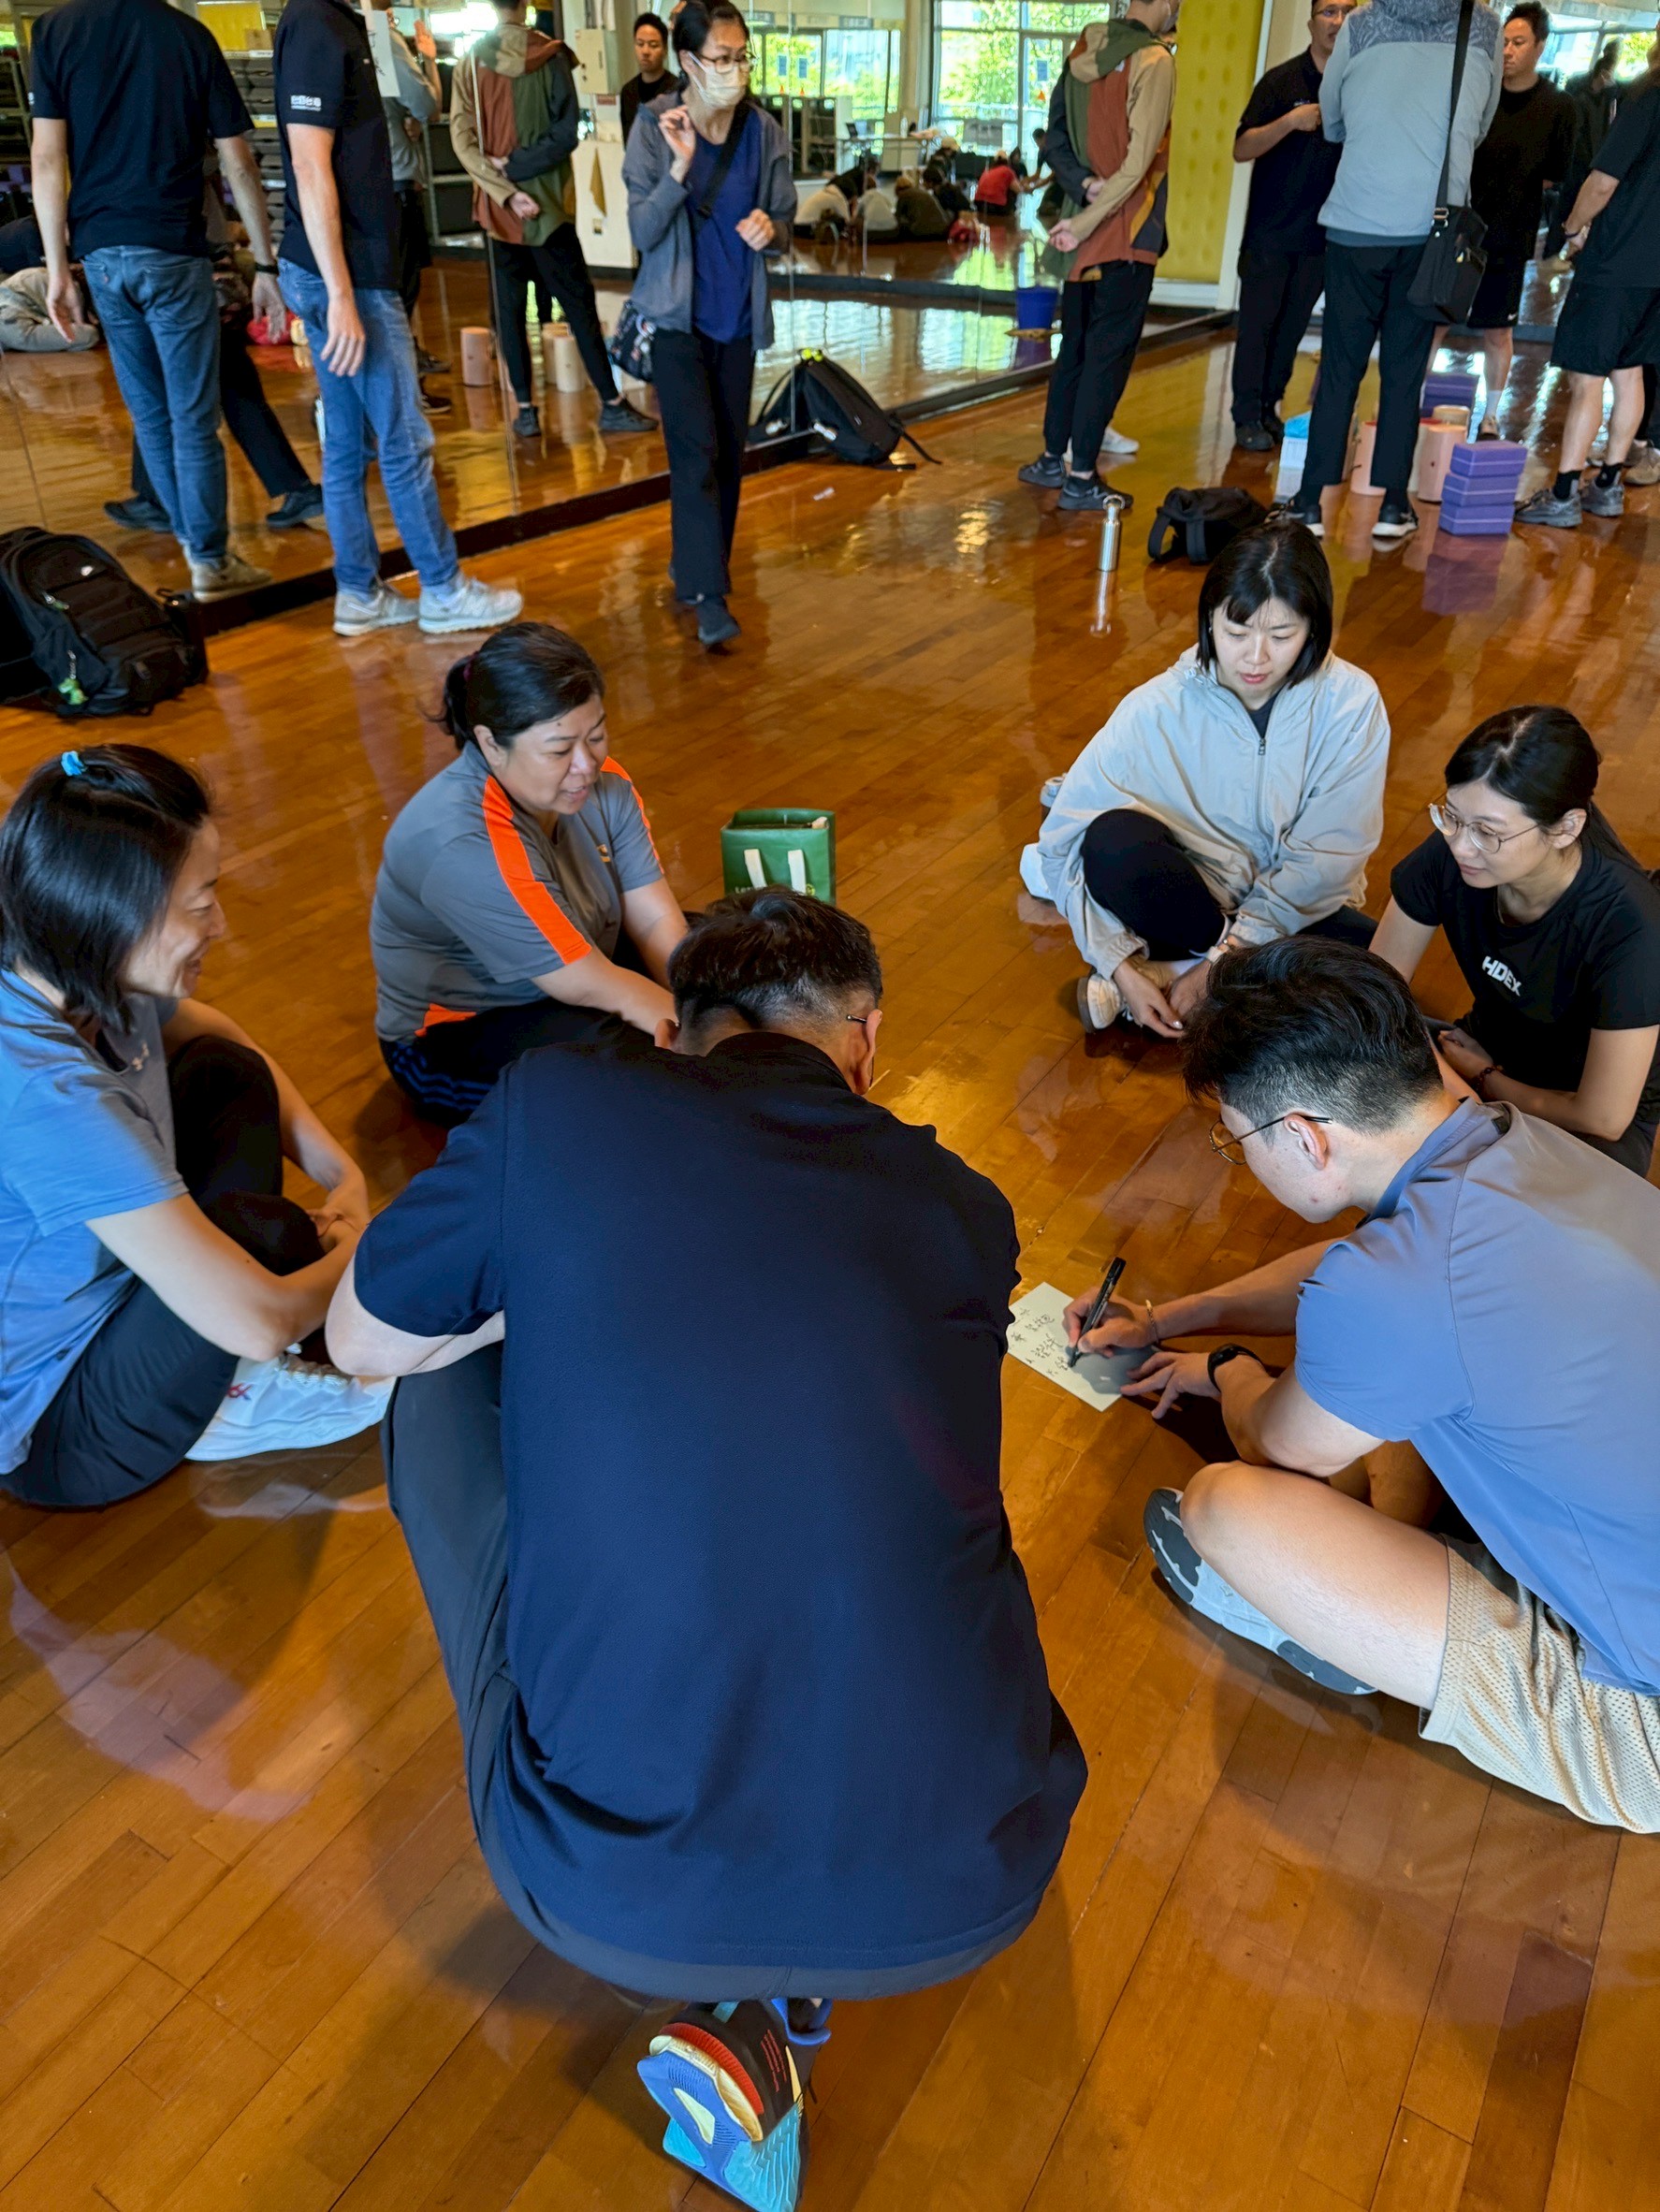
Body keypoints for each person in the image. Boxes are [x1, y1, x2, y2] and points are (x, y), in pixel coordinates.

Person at [326, 887, 1086, 2205]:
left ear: (676, 1031)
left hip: (611, 1894)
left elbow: (357, 1341)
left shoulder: (559, 1107)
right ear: (865, 1041)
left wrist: (548, 1301)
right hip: (982, 1872)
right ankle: (774, 2002)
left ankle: (743, 2002)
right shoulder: (965, 1205)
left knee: (425, 1382)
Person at [1072, 936, 1660, 1834]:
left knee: (1228, 1508)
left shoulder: (1398, 1286)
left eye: (1235, 1139)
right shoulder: (1516, 1140)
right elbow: (1358, 1269)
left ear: (1304, 1137)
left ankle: (1356, 1629)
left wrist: (1226, 1367)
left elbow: (1274, 1443)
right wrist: (1167, 1319)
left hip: (1645, 1716)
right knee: (1419, 1397)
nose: (1240, 1156)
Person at [0, 746, 389, 1507]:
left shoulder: (68, 959)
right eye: (202, 901)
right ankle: (227, 1400)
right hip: (63, 1432)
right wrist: (362, 1254)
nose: (222, 922)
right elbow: (261, 1321)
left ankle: (210, 1342)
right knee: (263, 1243)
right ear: (113, 914)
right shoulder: (46, 1092)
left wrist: (342, 1175)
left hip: (119, 1291)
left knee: (225, 1071)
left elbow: (218, 1032)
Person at [1020, 519, 1388, 1037]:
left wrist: (1223, 960)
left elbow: (1328, 858)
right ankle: (1230, 980)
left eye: (1282, 635)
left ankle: (1175, 975)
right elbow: (1061, 844)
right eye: (1236, 633)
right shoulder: (1158, 706)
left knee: (1381, 963)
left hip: (1295, 910)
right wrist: (1117, 965)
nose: (1256, 657)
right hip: (1193, 903)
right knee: (1112, 843)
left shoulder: (1350, 704)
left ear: (1314, 628)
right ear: (1208, 620)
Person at [274, 0, 523, 639]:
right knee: (404, 441)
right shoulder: (316, 24)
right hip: (350, 276)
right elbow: (308, 164)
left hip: (345, 271)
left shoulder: (337, 22)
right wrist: (342, 295)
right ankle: (442, 589)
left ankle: (359, 594)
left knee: (348, 444)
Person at [371, 623, 685, 1125]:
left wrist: (705, 1004)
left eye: (596, 736)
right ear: (490, 744)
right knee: (637, 1071)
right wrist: (709, 1041)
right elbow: (587, 982)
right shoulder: (460, 838)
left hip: (579, 969)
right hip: (461, 1033)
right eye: (560, 750)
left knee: (734, 956)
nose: (586, 764)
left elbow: (653, 920)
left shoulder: (604, 784)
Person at [27, 0, 282, 599]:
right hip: (172, 249)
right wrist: (266, 263)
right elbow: (238, 161)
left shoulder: (55, 31)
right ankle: (210, 562)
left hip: (102, 255)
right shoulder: (188, 36)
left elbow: (47, 157)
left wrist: (57, 268)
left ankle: (198, 550)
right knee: (193, 419)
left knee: (152, 418)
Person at [1372, 706, 1660, 1174]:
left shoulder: (1631, 927)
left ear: (1566, 828)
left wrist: (1484, 1079)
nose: (1460, 845)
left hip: (1578, 1109)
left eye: (1488, 832)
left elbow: (1603, 1117)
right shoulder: (1458, 851)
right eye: (1451, 816)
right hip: (1481, 1048)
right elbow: (1373, 991)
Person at [1283, 0, 1501, 545]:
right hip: (1432, 232)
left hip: (1355, 223)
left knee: (1340, 368)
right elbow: (1479, 126)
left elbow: (1332, 121)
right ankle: (1394, 505)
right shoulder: (1482, 27)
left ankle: (1309, 502)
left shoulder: (1360, 24)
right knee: (1406, 373)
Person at [621, 0, 796, 649]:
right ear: (688, 62)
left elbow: (785, 221)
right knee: (694, 453)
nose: (734, 69)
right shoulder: (654, 126)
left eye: (741, 56)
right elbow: (642, 229)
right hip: (675, 321)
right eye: (721, 58)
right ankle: (708, 594)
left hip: (737, 318)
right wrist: (678, 169)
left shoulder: (764, 132)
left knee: (727, 454)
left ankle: (698, 566)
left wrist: (772, 230)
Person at [449, 0, 653, 443]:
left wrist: (503, 186)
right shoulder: (552, 55)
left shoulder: (470, 62)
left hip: (498, 212)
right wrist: (520, 169)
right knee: (579, 307)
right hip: (549, 207)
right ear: (525, 5)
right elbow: (566, 133)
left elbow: (463, 142)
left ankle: (525, 412)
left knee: (508, 314)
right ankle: (611, 404)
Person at [1018, 1, 1180, 516]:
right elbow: (1138, 163)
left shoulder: (1084, 47)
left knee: (1076, 348)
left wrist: (1084, 187)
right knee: (1107, 355)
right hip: (1127, 228)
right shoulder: (1155, 60)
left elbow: (1054, 139)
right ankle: (1082, 476)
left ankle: (1052, 459)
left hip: (1081, 225)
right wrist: (1091, 218)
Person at [1518, 46, 1660, 528]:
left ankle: (1563, 494)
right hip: (1654, 272)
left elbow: (1603, 181)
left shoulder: (1648, 94)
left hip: (1617, 260)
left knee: (1587, 379)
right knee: (1629, 371)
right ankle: (1608, 487)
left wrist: (1573, 227)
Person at [109, 224, 323, 535]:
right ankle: (297, 489)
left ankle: (157, 500)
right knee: (233, 387)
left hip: (180, 269)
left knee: (165, 389)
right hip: (203, 267)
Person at [1441, 5, 1575, 438]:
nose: (1508, 51)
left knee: (1498, 332)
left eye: (1519, 43)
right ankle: (1412, 402)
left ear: (1540, 46)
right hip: (1459, 228)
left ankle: (1491, 417)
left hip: (1510, 235)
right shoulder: (1478, 92)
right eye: (1503, 42)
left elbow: (1557, 173)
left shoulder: (1559, 106)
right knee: (1435, 319)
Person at [1230, 0, 1353, 453]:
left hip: (1321, 236)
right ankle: (1246, 415)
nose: (1338, 21)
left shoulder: (1355, 85)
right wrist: (1289, 122)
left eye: (1348, 12)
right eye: (1329, 12)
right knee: (1257, 328)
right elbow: (1242, 148)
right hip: (1269, 234)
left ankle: (1269, 407)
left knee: (1291, 331)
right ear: (1311, 21)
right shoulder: (1281, 81)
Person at [371, 0, 446, 372]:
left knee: (388, 282)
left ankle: (403, 359)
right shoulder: (381, 37)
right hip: (397, 177)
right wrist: (429, 60)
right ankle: (403, 367)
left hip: (366, 179)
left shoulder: (342, 34)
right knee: (403, 282)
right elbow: (428, 106)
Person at [0, 261, 97, 352]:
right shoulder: (72, 291)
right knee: (88, 335)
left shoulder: (53, 277)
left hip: (10, 313)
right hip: (9, 319)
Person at [620, 11, 679, 140]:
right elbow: (628, 142)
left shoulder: (677, 90)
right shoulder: (628, 92)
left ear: (665, 50)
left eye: (653, 45)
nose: (645, 51)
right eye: (640, 44)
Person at [894, 168, 949, 240]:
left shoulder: (903, 195)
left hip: (923, 233)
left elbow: (897, 218)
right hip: (942, 230)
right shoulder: (921, 193)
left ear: (897, 189)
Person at [973, 151, 1019, 219]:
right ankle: (1010, 218)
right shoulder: (1008, 171)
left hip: (979, 203)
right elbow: (1018, 189)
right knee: (1012, 192)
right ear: (1007, 161)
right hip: (996, 205)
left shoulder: (988, 171)